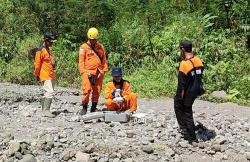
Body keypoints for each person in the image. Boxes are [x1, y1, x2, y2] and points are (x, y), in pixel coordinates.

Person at [174, 40, 205, 143]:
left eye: (180, 49)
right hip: (198, 89)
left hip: (189, 91)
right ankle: (186, 128)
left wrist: (179, 97)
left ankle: (190, 135)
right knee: (186, 108)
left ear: (183, 49)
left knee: (184, 109)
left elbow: (181, 85)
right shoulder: (198, 60)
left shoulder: (184, 64)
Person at [78, 27, 108, 115]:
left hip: (99, 72)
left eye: (95, 39)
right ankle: (84, 107)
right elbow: (81, 62)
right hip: (87, 72)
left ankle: (93, 108)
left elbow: (104, 60)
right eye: (92, 39)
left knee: (97, 91)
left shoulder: (100, 46)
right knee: (86, 90)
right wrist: (84, 73)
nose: (94, 41)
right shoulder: (83, 47)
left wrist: (103, 71)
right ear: (88, 38)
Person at [34, 32, 56, 118]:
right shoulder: (40, 51)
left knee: (47, 92)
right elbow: (37, 64)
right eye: (50, 41)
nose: (52, 43)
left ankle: (43, 109)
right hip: (45, 74)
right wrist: (37, 74)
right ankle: (46, 111)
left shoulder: (49, 49)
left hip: (51, 74)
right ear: (46, 40)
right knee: (49, 92)